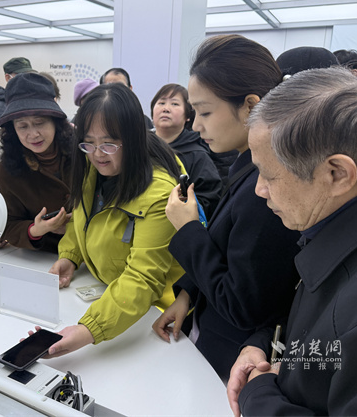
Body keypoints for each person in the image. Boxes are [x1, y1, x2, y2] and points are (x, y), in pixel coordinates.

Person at [228, 67, 357, 417]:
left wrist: (258, 393)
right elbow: (325, 331)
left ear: (337, 174)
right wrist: (264, 343)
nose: (260, 190)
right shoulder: (349, 216)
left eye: (269, 174)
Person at [152, 35, 301, 383]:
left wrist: (188, 229)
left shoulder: (266, 189)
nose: (196, 125)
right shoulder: (246, 166)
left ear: (250, 106)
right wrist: (188, 292)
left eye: (205, 112)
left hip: (231, 364)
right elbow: (227, 248)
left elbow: (241, 305)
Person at [43, 83, 186, 357]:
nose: (97, 153)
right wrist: (71, 256)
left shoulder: (159, 194)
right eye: (89, 142)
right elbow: (83, 215)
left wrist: (89, 329)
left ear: (133, 139)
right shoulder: (94, 165)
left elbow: (143, 278)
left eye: (108, 143)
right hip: (110, 295)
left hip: (156, 315)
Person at [0, 73, 73, 253]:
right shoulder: (8, 169)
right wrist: (36, 230)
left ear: (55, 121)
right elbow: (8, 224)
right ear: (13, 129)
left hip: (93, 250)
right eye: (23, 126)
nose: (33, 134)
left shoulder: (83, 151)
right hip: (43, 257)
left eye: (39, 122)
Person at [150, 83, 222, 216]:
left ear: (188, 115)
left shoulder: (197, 154)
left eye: (174, 104)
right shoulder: (138, 146)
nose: (166, 109)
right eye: (161, 103)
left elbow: (209, 199)